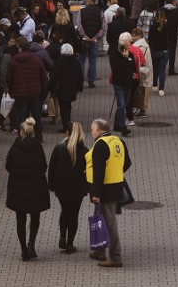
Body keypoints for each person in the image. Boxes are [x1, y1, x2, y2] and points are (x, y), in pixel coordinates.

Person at [87, 119, 132, 267]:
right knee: (101, 219)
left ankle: (115, 256)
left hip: (104, 189)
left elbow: (98, 171)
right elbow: (127, 162)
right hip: (116, 186)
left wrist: (96, 193)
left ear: (99, 131)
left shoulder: (100, 145)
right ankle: (99, 250)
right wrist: (117, 173)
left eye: (93, 130)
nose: (91, 132)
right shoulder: (118, 140)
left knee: (109, 222)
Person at [5, 117, 50, 261]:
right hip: (36, 188)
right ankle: (32, 244)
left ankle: (23, 249)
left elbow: (8, 166)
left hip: (18, 189)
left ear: (21, 132)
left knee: (20, 218)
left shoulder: (15, 146)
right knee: (35, 216)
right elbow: (44, 167)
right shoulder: (38, 147)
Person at [48, 121, 88, 253]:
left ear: (67, 133)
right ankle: (70, 243)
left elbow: (52, 168)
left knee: (64, 210)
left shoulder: (59, 148)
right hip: (78, 189)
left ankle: (62, 237)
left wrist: (51, 185)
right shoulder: (85, 151)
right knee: (74, 214)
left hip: (61, 187)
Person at [6, 36, 49, 142]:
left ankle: (23, 136)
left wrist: (11, 91)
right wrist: (42, 89)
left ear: (19, 47)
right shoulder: (37, 59)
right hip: (34, 92)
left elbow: (9, 78)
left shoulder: (13, 61)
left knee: (21, 116)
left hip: (20, 93)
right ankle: (39, 136)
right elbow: (43, 76)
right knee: (36, 115)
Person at [49, 43, 83, 133]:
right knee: (68, 105)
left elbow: (55, 76)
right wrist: (80, 87)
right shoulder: (76, 61)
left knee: (63, 107)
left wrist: (50, 87)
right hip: (72, 88)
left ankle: (66, 125)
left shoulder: (60, 62)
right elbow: (80, 75)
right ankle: (68, 122)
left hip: (62, 88)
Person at [108, 35, 137, 136]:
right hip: (119, 83)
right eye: (129, 42)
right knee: (121, 105)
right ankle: (123, 128)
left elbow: (133, 66)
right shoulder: (114, 55)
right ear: (123, 43)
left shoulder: (130, 54)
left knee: (123, 104)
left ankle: (116, 124)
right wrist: (125, 59)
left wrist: (134, 73)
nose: (131, 44)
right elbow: (117, 69)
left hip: (128, 83)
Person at [77, 0, 106, 88]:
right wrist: (96, 36)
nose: (85, 3)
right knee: (93, 60)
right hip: (94, 41)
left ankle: (80, 81)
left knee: (81, 60)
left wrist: (84, 36)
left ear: (90, 1)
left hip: (84, 41)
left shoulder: (81, 12)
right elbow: (104, 26)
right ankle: (91, 81)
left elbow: (79, 25)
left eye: (86, 1)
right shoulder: (100, 12)